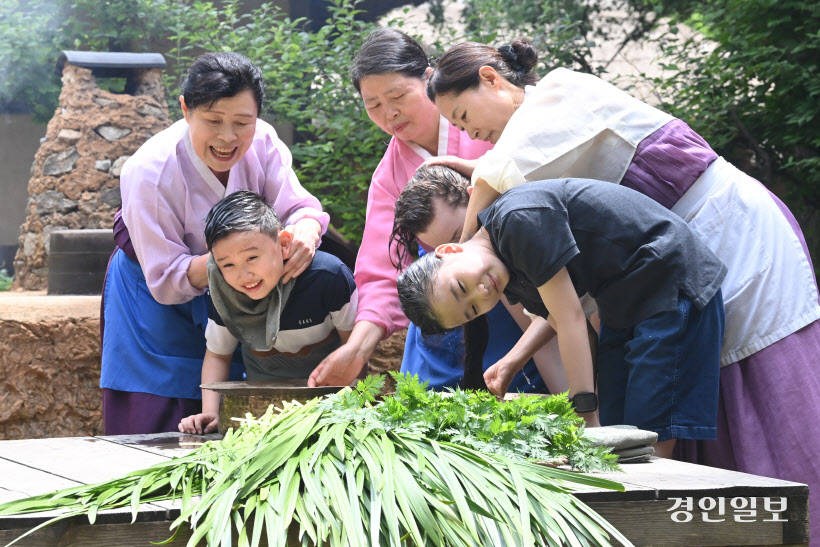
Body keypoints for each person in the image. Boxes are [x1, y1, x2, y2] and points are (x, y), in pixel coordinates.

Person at [427, 38, 820, 538]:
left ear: (490, 77)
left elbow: (499, 171)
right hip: (659, 283)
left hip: (730, 231)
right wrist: (515, 359)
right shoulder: (522, 175)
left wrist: (464, 242)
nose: (470, 133)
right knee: (679, 408)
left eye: (463, 116)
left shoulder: (558, 95)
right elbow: (561, 304)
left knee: (765, 392)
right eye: (459, 129)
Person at [398, 171, 727, 458]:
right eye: (472, 309)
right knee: (619, 426)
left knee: (649, 437)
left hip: (668, 282)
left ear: (449, 249)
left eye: (460, 286)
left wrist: (585, 415)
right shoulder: (504, 271)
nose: (481, 293)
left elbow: (570, 319)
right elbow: (558, 317)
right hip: (624, 305)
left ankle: (654, 522)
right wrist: (513, 361)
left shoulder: (517, 222)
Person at [308, 27, 562, 394]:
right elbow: (382, 270)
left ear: (428, 79)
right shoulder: (388, 176)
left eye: (398, 95)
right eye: (373, 105)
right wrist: (357, 348)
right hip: (451, 300)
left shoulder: (484, 120)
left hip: (515, 275)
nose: (389, 113)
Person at [101, 52, 329, 435]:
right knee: (159, 411)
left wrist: (306, 229)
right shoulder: (149, 171)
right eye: (213, 121)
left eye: (243, 122)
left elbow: (299, 206)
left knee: (238, 403)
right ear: (186, 110)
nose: (228, 137)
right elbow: (167, 276)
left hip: (237, 285)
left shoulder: (265, 142)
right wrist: (240, 259)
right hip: (155, 291)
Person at [177, 191, 355, 434]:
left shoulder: (328, 277)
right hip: (260, 415)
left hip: (328, 407)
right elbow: (218, 355)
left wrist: (352, 406)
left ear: (283, 244)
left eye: (252, 257)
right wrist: (211, 412)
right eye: (227, 264)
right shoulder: (224, 290)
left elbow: (352, 347)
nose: (243, 275)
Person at [391, 165, 568, 393]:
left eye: (460, 235)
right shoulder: (452, 276)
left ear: (473, 197)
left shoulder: (505, 239)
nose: (461, 247)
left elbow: (553, 324)